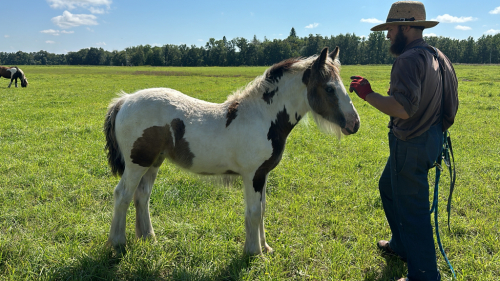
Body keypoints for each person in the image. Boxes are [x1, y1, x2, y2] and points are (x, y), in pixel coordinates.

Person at [348, 1, 458, 281]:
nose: (386, 35)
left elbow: (403, 108)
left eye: (391, 29)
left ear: (406, 27)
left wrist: (367, 94)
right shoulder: (438, 56)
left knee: (414, 212)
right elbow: (451, 105)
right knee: (388, 186)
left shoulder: (407, 59)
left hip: (411, 144)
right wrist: (434, 131)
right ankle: (401, 245)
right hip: (432, 139)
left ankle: (423, 275)